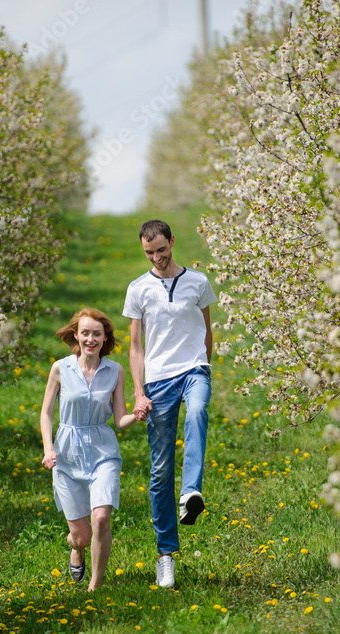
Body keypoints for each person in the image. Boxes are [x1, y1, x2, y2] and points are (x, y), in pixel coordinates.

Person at [123, 219, 218, 588]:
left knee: (198, 410)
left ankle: (191, 491)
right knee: (160, 469)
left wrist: (204, 365)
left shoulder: (198, 282)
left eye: (161, 249)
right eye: (149, 252)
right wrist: (138, 392)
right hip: (158, 379)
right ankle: (165, 555)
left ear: (172, 242)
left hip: (194, 369)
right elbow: (136, 347)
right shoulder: (138, 289)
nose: (156, 257)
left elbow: (207, 331)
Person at [40, 307, 137, 591]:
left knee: (101, 519)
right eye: (85, 333)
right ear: (76, 335)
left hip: (103, 453)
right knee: (81, 536)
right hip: (67, 455)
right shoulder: (60, 368)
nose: (91, 339)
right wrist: (48, 448)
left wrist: (139, 413)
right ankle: (77, 548)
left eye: (97, 333)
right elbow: (46, 412)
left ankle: (95, 584)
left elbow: (120, 420)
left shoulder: (115, 371)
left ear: (105, 337)